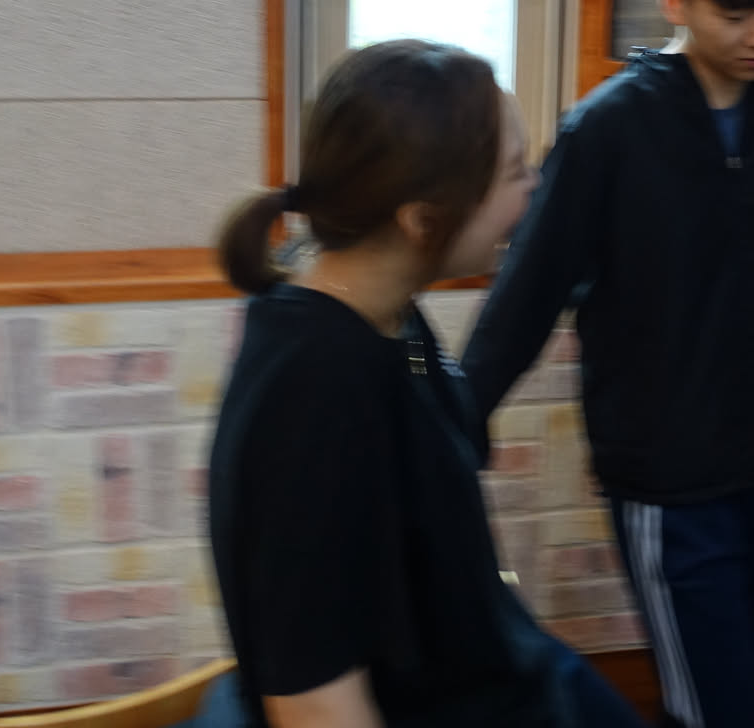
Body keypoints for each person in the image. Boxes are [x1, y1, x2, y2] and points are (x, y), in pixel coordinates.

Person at [462, 0, 754, 728]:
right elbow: (527, 292)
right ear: (675, 0)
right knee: (718, 706)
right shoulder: (609, 130)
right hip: (668, 484)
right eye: (736, 15)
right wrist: (453, 421)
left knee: (737, 683)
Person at [206, 40, 647, 728]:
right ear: (420, 218)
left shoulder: (389, 317)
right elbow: (316, 702)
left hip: (508, 674)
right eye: (513, 172)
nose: (534, 186)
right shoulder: (310, 394)